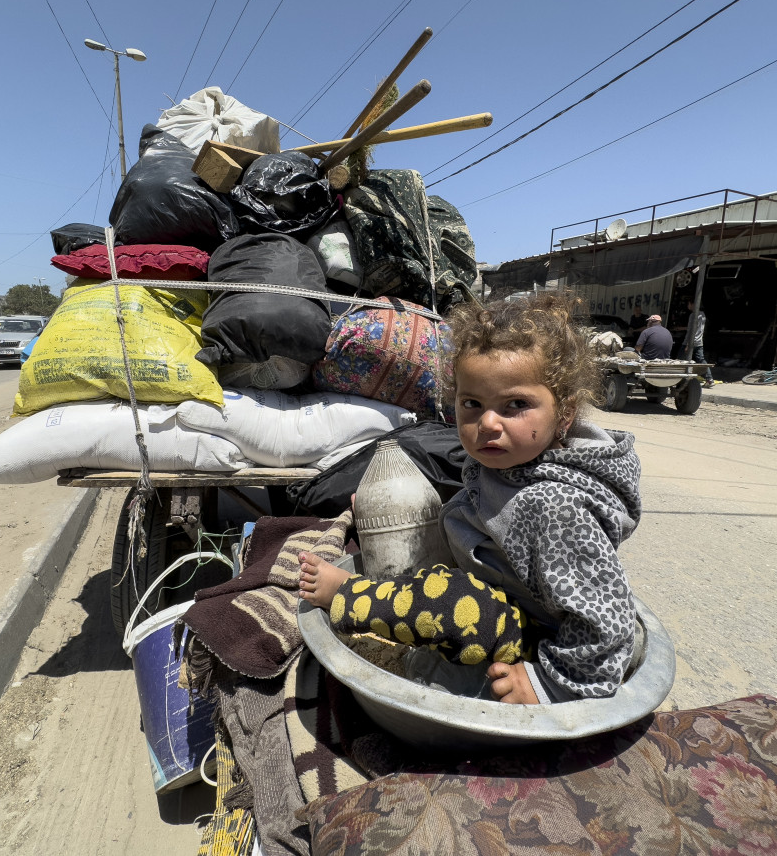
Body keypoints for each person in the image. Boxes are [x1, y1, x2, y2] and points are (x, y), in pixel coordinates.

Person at [299, 293, 641, 706]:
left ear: (564, 414)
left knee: (452, 600)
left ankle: (350, 597)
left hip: (548, 646)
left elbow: (606, 621)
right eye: (472, 404)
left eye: (516, 405)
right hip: (510, 609)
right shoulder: (503, 467)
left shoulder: (553, 505)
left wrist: (547, 684)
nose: (488, 423)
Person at [684, 300, 714, 384]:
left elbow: (693, 331)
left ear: (693, 304)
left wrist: (688, 344)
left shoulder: (693, 315)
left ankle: (679, 378)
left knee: (680, 359)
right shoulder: (702, 314)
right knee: (701, 360)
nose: (688, 305)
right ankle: (709, 378)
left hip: (690, 341)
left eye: (688, 303)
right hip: (699, 341)